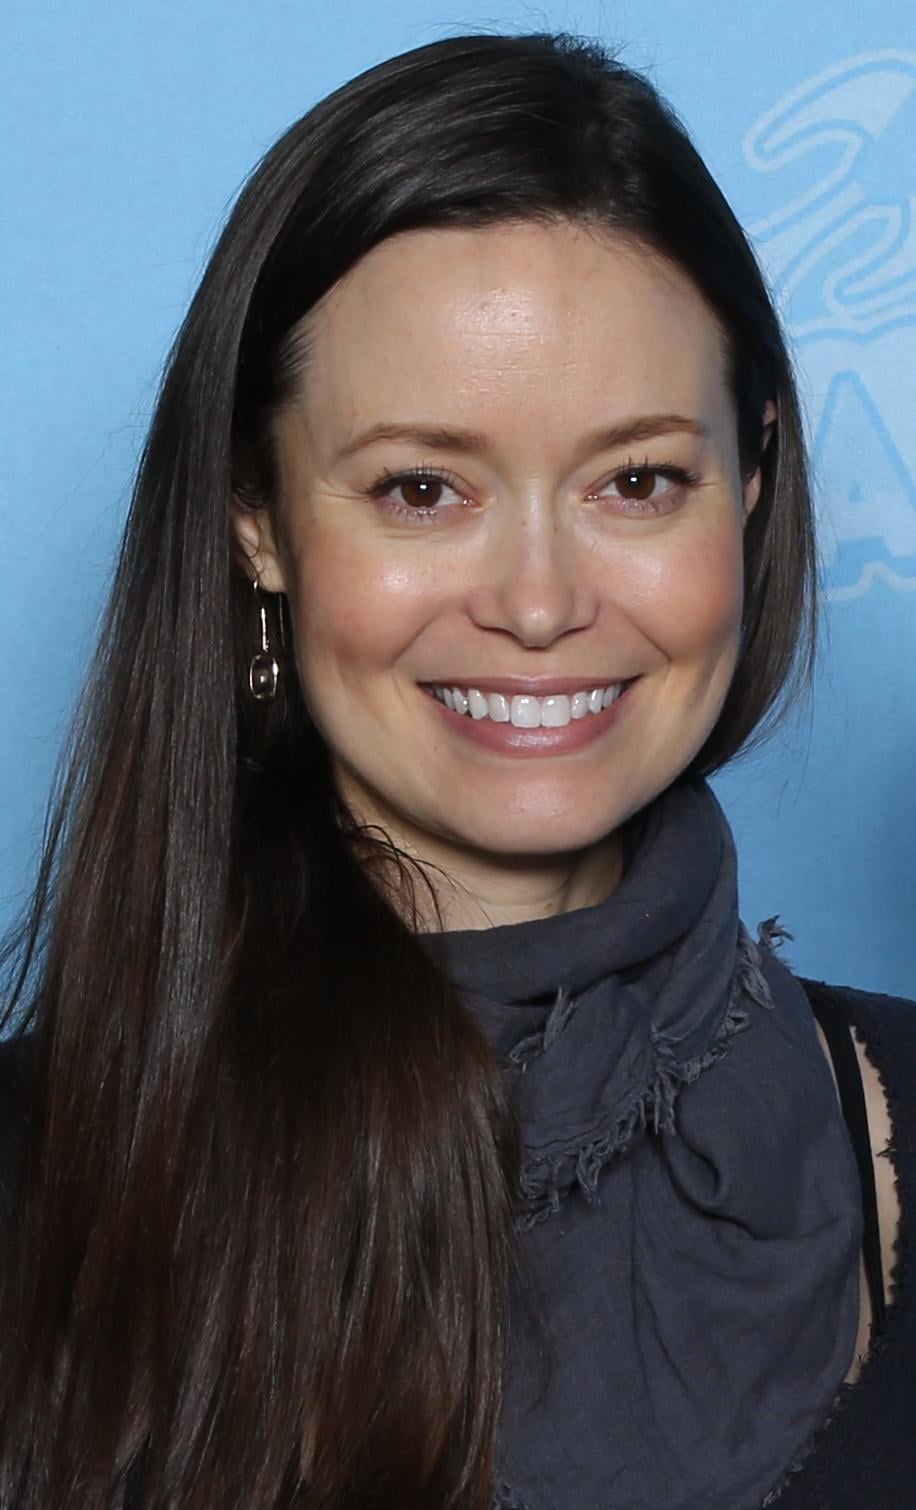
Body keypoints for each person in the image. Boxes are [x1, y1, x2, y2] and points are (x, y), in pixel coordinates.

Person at [0, 27, 913, 1510]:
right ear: (256, 517)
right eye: (423, 489)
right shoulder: (38, 1180)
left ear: (751, 482)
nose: (540, 604)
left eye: (638, 480)